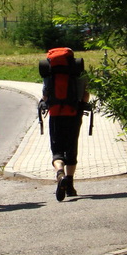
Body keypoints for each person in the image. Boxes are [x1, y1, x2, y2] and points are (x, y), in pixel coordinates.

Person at [40, 48, 90, 201]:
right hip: (74, 114)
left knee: (57, 151)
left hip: (55, 114)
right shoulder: (78, 72)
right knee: (71, 148)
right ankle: (70, 184)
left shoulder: (50, 74)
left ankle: (60, 174)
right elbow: (85, 96)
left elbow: (45, 95)